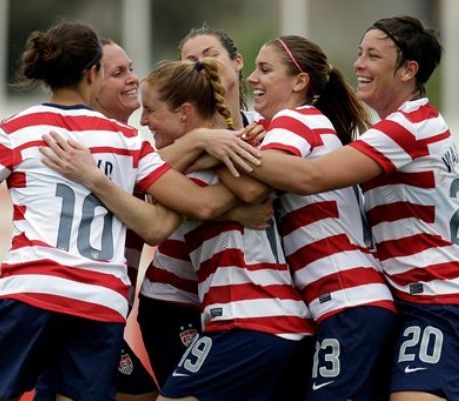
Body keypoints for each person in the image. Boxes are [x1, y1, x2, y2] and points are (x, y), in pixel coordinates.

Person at [0, 19, 253, 401]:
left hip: (31, 292)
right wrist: (239, 196)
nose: (131, 80)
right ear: (93, 74)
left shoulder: (15, 129)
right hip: (100, 303)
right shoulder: (127, 143)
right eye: (117, 71)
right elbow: (184, 209)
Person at [232, 16, 459, 401]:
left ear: (408, 70)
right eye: (359, 53)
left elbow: (311, 177)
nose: (358, 64)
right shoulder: (399, 127)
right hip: (408, 300)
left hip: (441, 300)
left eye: (373, 56)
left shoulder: (407, 127)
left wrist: (224, 149)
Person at [40, 57, 314, 401]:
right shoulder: (232, 149)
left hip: (249, 320)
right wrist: (201, 144)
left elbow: (177, 212)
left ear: (184, 111)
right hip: (270, 321)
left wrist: (97, 179)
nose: (144, 120)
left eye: (151, 110)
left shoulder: (207, 163)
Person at [214, 34, 397, 401]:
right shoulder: (306, 121)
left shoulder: (293, 120)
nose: (252, 78)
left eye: (265, 70)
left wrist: (208, 145)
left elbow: (253, 188)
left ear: (300, 82)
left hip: (348, 301)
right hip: (354, 303)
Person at [136, 25, 268, 389]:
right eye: (190, 61)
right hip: (174, 297)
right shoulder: (175, 133)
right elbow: (147, 179)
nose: (200, 66)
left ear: (238, 63)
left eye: (209, 55)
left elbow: (262, 187)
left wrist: (215, 150)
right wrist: (201, 141)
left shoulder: (263, 127)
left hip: (237, 303)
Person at [32, 38, 159, 401]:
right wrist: (202, 141)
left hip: (101, 309)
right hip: (77, 306)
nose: (134, 79)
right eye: (118, 73)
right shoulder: (84, 148)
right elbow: (158, 222)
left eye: (132, 68)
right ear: (91, 82)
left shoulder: (132, 145)